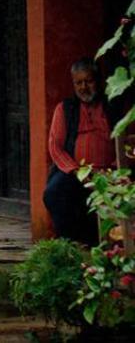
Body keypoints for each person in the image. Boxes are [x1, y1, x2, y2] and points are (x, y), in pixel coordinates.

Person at [42, 58, 117, 245]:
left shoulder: (112, 107)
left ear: (98, 81)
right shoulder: (65, 109)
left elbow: (126, 142)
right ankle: (70, 245)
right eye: (79, 83)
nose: (84, 87)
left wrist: (112, 169)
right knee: (54, 192)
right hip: (75, 172)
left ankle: (98, 245)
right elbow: (55, 146)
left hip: (108, 172)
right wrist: (77, 171)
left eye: (88, 81)